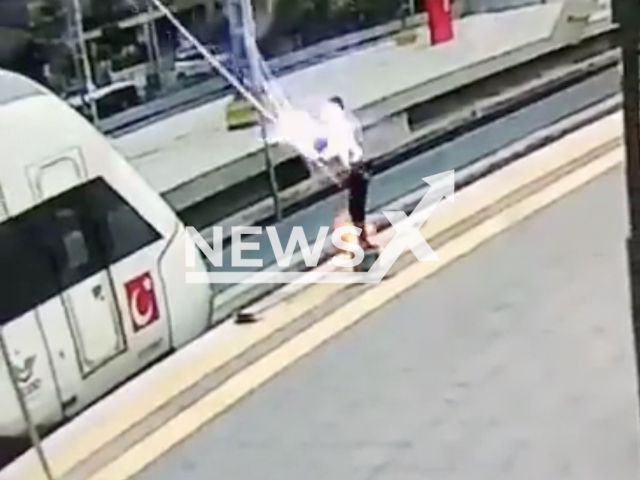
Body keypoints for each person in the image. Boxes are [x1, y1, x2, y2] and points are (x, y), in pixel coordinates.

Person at [319, 96, 375, 250]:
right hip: (355, 171)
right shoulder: (343, 126)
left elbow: (337, 150)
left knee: (356, 209)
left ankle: (360, 240)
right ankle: (359, 240)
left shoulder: (340, 127)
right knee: (356, 209)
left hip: (354, 171)